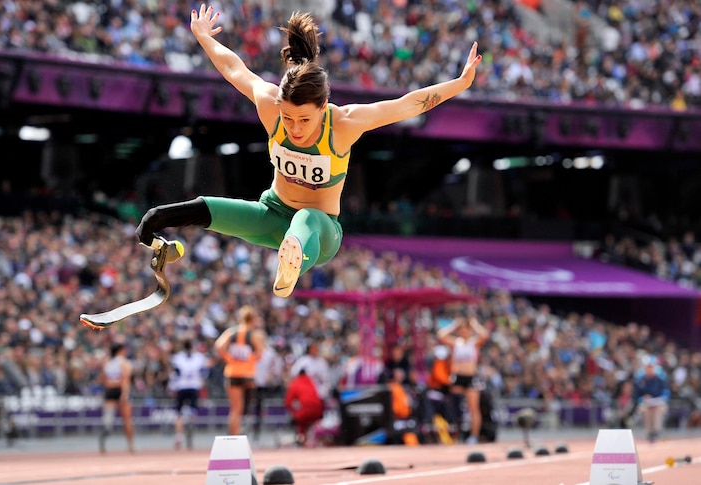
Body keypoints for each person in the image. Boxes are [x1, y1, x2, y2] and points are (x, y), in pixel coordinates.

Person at [135, 5, 481, 298]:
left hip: (320, 233)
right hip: (270, 215)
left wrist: (459, 84)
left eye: (304, 120)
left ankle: (291, 266)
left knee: (304, 219)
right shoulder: (270, 105)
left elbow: (406, 106)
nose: (295, 129)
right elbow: (234, 69)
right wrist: (206, 38)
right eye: (288, 118)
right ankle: (155, 229)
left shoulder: (343, 124)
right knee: (197, 208)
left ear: (323, 107)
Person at [437, 315, 490, 445]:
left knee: (474, 408)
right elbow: (441, 335)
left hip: (470, 378)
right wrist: (454, 325)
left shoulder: (474, 343)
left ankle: (473, 436)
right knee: (454, 408)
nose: (464, 332)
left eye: (466, 329)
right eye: (462, 330)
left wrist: (474, 324)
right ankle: (455, 434)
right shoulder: (456, 343)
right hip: (457, 377)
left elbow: (485, 335)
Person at [214, 305, 266, 435]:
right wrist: (249, 359)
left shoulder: (232, 332)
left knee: (235, 408)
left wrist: (229, 358)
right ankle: (242, 432)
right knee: (245, 407)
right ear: (252, 320)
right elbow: (260, 354)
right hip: (247, 374)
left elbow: (218, 346)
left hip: (232, 373)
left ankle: (233, 436)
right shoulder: (253, 335)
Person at [169, 338, 208, 449]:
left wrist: (172, 387)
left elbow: (175, 374)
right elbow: (204, 372)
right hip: (194, 387)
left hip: (181, 386)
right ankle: (190, 429)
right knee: (192, 411)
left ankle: (179, 437)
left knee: (179, 414)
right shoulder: (199, 358)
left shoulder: (177, 358)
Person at [99, 343, 134, 453]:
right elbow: (125, 379)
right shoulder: (125, 363)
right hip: (120, 390)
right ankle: (130, 445)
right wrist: (124, 394)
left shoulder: (107, 363)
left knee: (108, 419)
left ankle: (103, 442)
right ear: (120, 351)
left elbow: (103, 379)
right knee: (127, 420)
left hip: (110, 390)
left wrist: (110, 384)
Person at [284, 369, 324, 447]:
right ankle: (314, 440)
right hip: (318, 409)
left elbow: (288, 402)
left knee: (301, 423)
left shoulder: (296, 382)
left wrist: (294, 412)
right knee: (312, 423)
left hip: (306, 410)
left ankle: (302, 441)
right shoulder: (312, 381)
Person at [634, 361, 669, 443]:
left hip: (658, 403)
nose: (649, 370)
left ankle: (657, 431)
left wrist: (658, 400)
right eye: (648, 368)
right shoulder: (640, 381)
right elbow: (636, 396)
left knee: (658, 410)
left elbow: (665, 394)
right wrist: (643, 398)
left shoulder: (660, 380)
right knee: (646, 410)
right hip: (645, 404)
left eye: (651, 368)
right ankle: (649, 432)